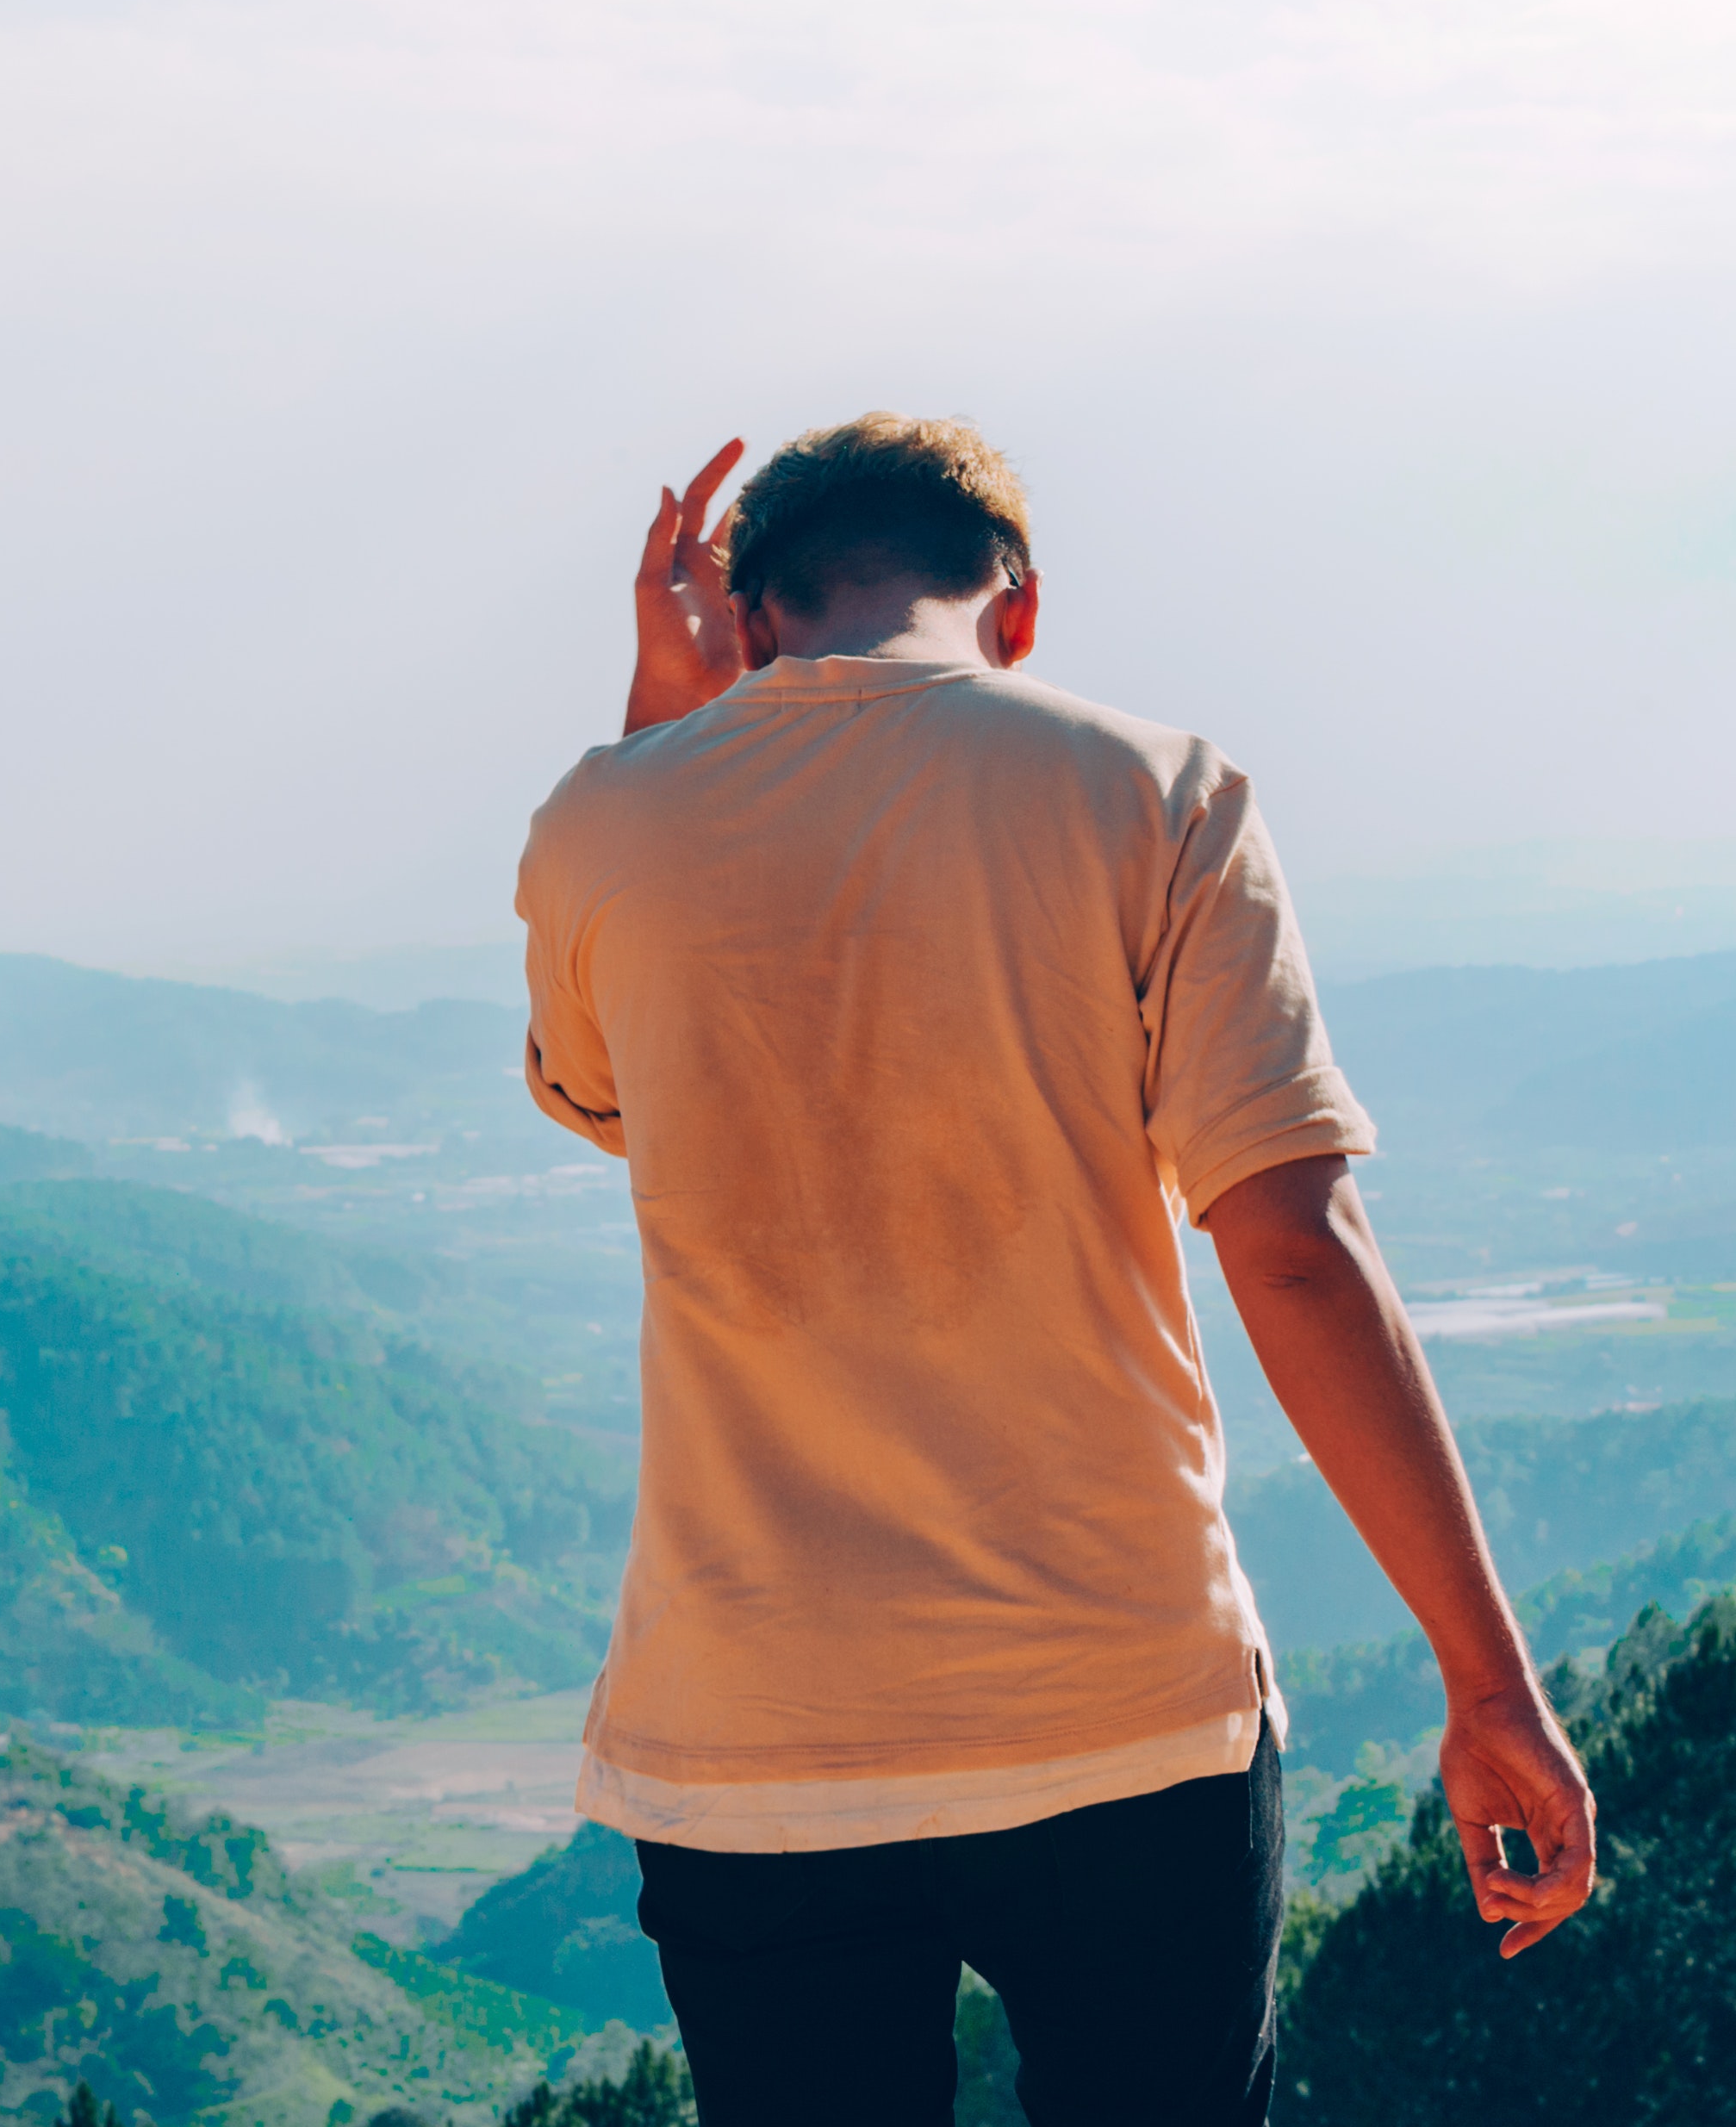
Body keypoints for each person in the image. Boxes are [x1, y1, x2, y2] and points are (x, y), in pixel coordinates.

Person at [515, 415, 1593, 2125]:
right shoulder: (1158, 793)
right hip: (1123, 1707)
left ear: (755, 608)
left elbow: (623, 1101)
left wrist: (673, 731)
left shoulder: (602, 819)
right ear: (1016, 612)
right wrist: (1487, 1681)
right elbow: (1295, 1256)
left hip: (752, 1732)